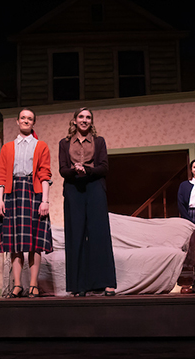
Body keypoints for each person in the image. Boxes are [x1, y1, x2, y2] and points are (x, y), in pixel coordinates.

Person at [58, 107, 117, 297]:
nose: (84, 120)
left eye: (88, 117)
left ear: (91, 121)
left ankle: (106, 283)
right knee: (76, 235)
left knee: (99, 233)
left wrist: (87, 170)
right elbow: (62, 170)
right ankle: (78, 285)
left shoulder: (99, 142)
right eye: (81, 117)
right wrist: (75, 171)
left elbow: (104, 167)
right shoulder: (64, 143)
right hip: (74, 189)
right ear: (74, 120)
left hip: (94, 188)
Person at [0, 108, 53, 298]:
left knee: (35, 242)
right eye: (23, 118)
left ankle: (34, 284)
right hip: (13, 194)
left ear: (33, 122)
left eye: (29, 119)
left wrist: (45, 200)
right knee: (15, 242)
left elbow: (45, 175)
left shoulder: (41, 145)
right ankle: (18, 285)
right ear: (17, 121)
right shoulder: (7, 147)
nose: (26, 121)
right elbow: (2, 175)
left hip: (33, 193)